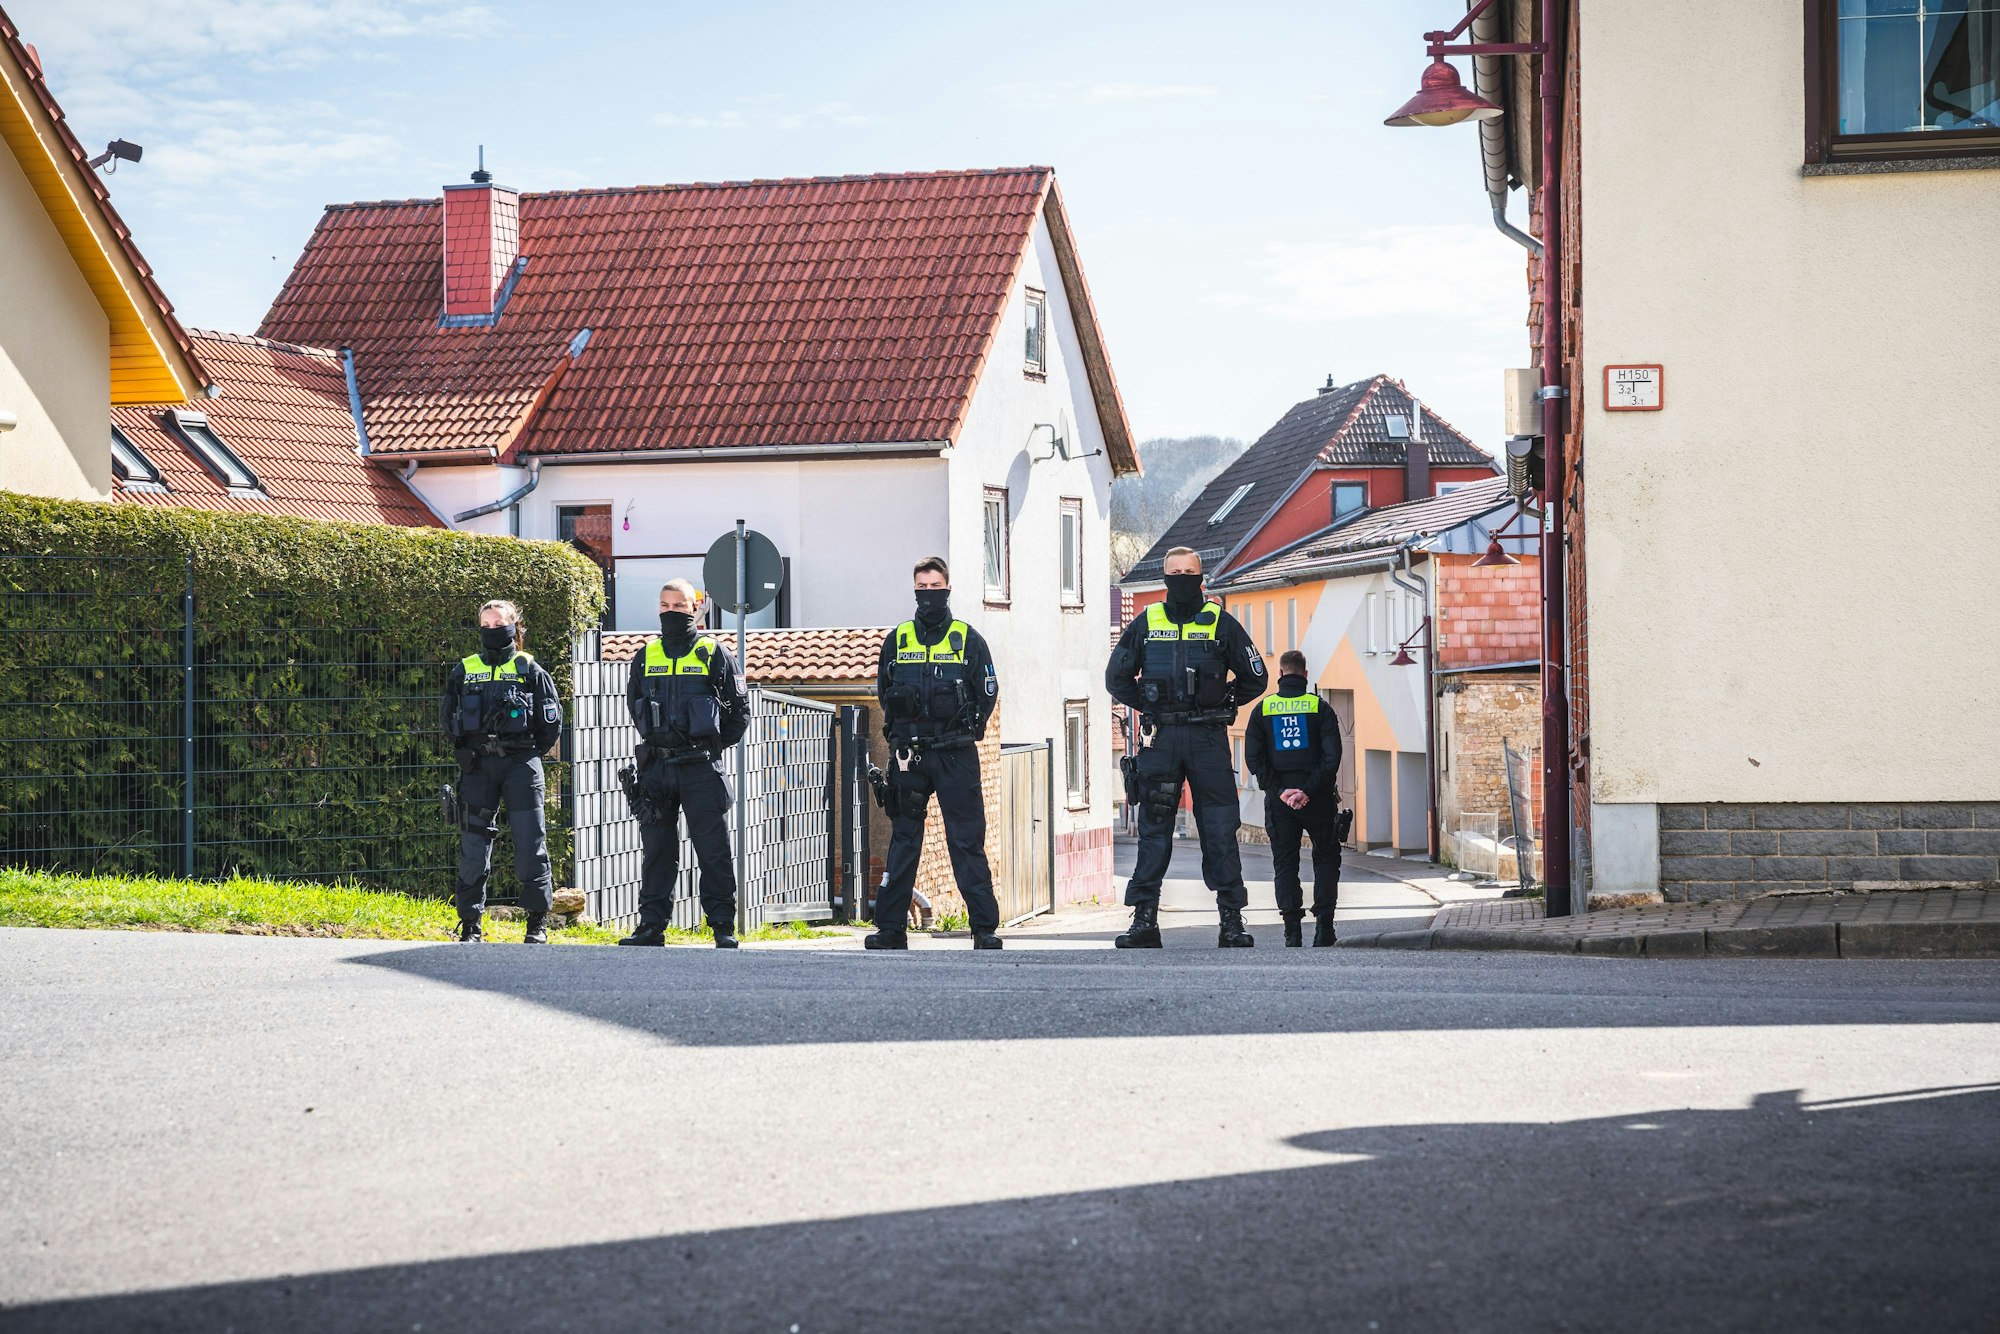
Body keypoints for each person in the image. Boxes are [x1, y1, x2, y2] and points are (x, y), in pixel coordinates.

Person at [1107, 547, 1266, 948]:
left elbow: (1256, 677)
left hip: (1208, 737)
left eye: (1188, 571)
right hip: (1161, 739)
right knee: (1153, 833)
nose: (1181, 578)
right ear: (1165, 578)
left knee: (1219, 831)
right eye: (1174, 572)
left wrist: (1223, 702)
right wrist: (1149, 705)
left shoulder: (1220, 623)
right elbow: (1116, 678)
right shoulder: (1147, 622)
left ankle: (1231, 922)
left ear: (1201, 577)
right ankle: (1144, 922)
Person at [866, 557, 1003, 951]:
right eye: (922, 587)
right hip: (910, 756)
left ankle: (983, 928)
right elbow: (883, 689)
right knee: (904, 840)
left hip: (955, 755)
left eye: (935, 585)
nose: (929, 593)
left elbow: (988, 690)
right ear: (914, 589)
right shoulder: (899, 638)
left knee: (966, 841)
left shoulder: (968, 639)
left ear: (948, 588)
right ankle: (891, 929)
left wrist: (969, 726)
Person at [616, 580, 750, 949]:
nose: (671, 611)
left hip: (700, 768)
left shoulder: (714, 653)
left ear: (695, 608)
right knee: (657, 851)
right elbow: (635, 705)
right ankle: (651, 927)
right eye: (665, 604)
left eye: (679, 605)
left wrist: (709, 748)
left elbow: (739, 714)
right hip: (657, 768)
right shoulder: (647, 655)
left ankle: (722, 925)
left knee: (713, 850)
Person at [442, 599, 563, 943]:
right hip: (478, 767)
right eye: (486, 625)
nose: (492, 630)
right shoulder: (465, 669)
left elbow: (551, 723)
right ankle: (470, 925)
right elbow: (448, 718)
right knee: (473, 847)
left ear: (514, 626)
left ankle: (536, 924)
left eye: (499, 624)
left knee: (530, 843)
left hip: (521, 766)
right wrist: (466, 751)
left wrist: (526, 753)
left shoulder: (529, 669)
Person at [1244, 650, 1344, 946]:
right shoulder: (1320, 708)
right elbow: (1332, 758)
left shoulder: (1263, 710)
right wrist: (1307, 791)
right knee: (1326, 859)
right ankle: (1325, 928)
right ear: (1305, 676)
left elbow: (1254, 758)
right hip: (1319, 800)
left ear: (1280, 675)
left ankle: (1292, 931)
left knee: (1285, 863)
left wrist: (1280, 791)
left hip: (1280, 803)